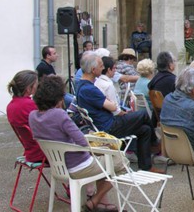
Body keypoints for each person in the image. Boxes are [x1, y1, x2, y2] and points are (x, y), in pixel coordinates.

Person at [29, 75, 128, 211]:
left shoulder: (33, 116)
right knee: (121, 162)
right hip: (79, 166)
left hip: (59, 167)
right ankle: (95, 200)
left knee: (106, 159)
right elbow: (82, 142)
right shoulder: (59, 115)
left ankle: (100, 203)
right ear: (58, 98)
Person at [76, 51, 162, 172]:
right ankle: (156, 144)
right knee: (142, 114)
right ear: (93, 69)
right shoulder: (89, 89)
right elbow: (112, 107)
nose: (103, 68)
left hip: (102, 124)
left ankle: (146, 166)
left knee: (145, 130)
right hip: (108, 127)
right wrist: (114, 107)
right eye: (101, 66)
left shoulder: (82, 85)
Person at [6, 70, 46, 163]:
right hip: (43, 153)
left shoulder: (10, 105)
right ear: (28, 88)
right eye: (36, 84)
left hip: (30, 152)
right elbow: (47, 125)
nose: (37, 86)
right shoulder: (29, 104)